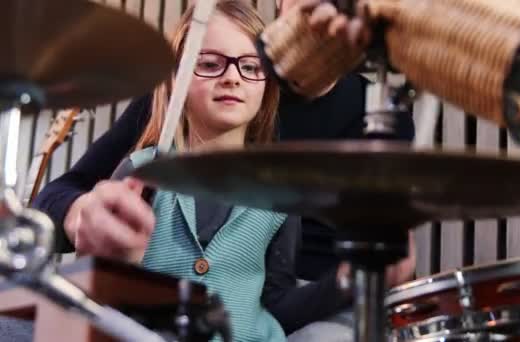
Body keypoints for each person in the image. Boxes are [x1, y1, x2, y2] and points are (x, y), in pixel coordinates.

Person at [30, 1, 416, 341]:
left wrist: (351, 279)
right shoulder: (148, 152)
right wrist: (90, 226)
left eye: (249, 67)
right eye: (210, 64)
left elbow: (277, 300)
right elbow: (67, 213)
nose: (231, 77)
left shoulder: (365, 126)